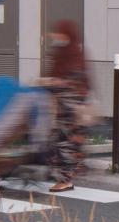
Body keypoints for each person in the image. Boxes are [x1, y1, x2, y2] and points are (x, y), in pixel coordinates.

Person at [36, 20, 91, 191]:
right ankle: (66, 175)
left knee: (64, 143)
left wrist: (55, 83)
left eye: (59, 33)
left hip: (71, 109)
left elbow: (77, 81)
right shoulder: (62, 52)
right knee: (59, 142)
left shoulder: (74, 53)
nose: (56, 36)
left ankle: (66, 180)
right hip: (60, 108)